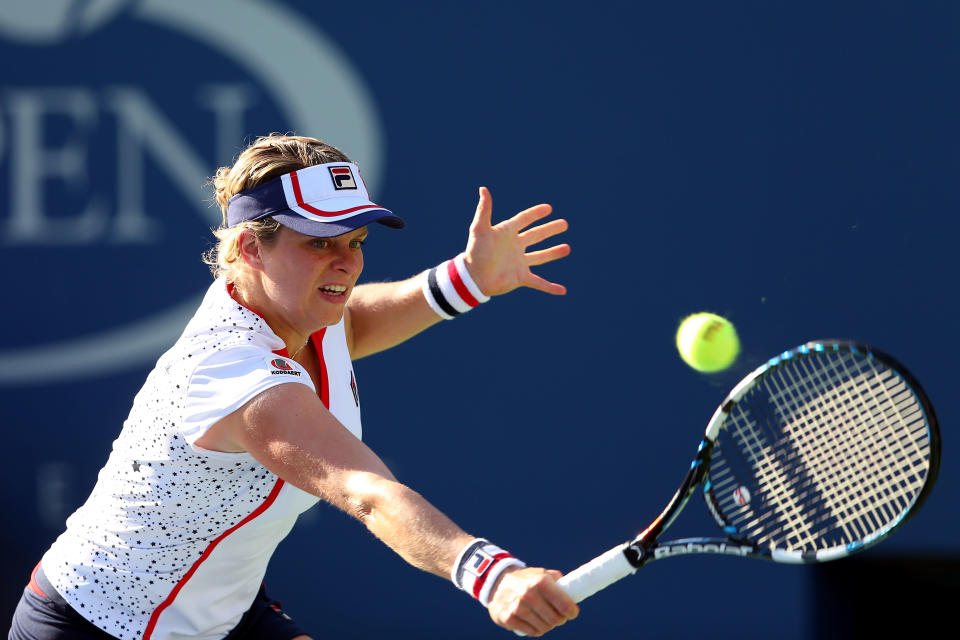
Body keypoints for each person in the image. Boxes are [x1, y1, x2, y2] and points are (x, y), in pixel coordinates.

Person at [9, 134, 578, 639]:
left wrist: (464, 280)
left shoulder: (294, 306)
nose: (345, 264)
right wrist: (492, 574)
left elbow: (355, 322)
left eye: (354, 242)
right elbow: (366, 492)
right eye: (318, 243)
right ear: (249, 248)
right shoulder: (234, 371)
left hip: (222, 609)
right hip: (104, 627)